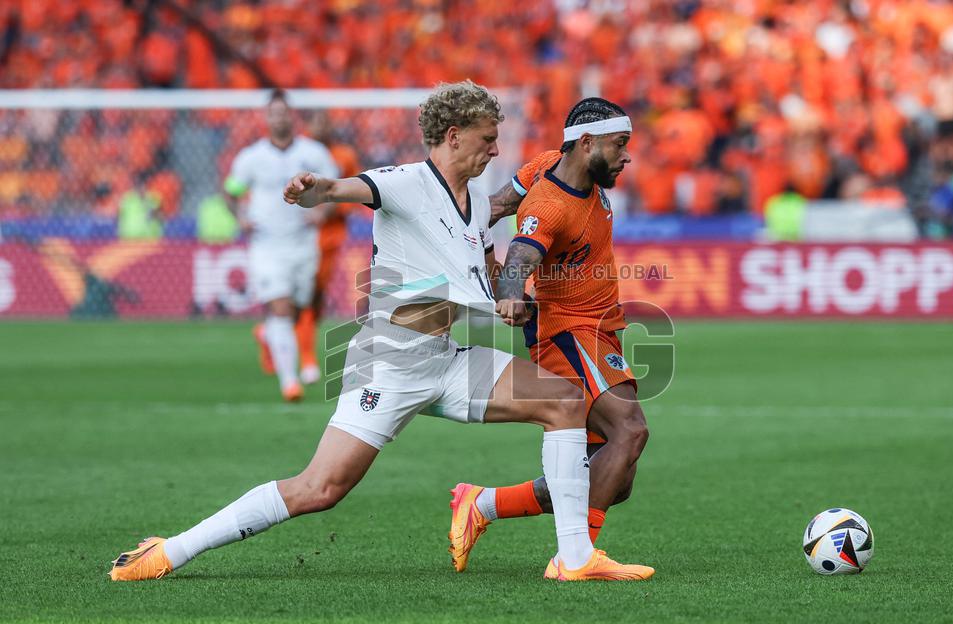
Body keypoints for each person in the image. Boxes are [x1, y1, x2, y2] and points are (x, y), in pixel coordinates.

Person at [108, 82, 653, 583]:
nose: (495, 150)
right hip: (389, 364)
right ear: (453, 136)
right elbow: (344, 189)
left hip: (445, 357)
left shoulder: (475, 207)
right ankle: (171, 549)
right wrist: (314, 189)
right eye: (487, 139)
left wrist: (511, 299)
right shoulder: (407, 183)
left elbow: (487, 270)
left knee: (563, 402)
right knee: (319, 488)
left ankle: (573, 558)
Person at [449, 98, 653, 576]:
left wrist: (470, 232)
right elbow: (520, 256)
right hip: (567, 330)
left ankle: (482, 504)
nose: (627, 156)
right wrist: (508, 291)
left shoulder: (547, 163)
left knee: (612, 476)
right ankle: (577, 559)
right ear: (588, 144)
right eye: (620, 145)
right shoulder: (551, 205)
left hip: (601, 327)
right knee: (630, 431)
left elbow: (495, 208)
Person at [224, 89, 339, 401]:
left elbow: (334, 188)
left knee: (298, 310)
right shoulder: (251, 158)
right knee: (282, 307)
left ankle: (268, 334)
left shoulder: (314, 153)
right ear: (266, 118)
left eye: (283, 113)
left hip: (303, 241)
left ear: (292, 116)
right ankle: (290, 382)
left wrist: (323, 212)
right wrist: (240, 217)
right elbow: (231, 191)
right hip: (267, 244)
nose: (279, 119)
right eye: (273, 113)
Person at [296, 111, 364, 384]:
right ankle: (307, 358)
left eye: (325, 121)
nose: (322, 126)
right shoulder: (298, 153)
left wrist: (328, 212)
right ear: (308, 125)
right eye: (316, 121)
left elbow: (354, 192)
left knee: (317, 296)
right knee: (302, 294)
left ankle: (273, 333)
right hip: (298, 236)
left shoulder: (344, 155)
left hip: (330, 236)